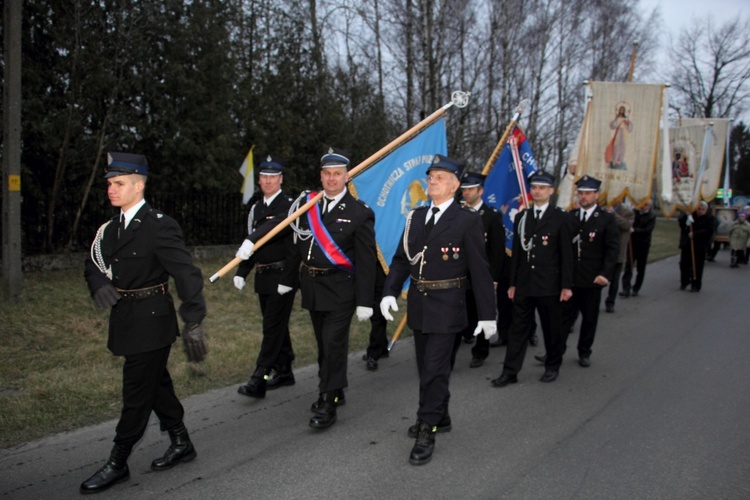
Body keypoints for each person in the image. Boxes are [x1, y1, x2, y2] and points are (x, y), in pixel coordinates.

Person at [82, 152, 207, 494]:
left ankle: (118, 461)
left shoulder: (159, 225)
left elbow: (186, 273)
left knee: (136, 393)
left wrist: (193, 319)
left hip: (153, 321)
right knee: (156, 385)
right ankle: (181, 441)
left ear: (139, 185)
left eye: (118, 183)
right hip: (125, 319)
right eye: (109, 183)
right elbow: (93, 262)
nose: (111, 189)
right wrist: (99, 284)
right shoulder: (110, 228)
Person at [380, 154, 496, 466]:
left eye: (440, 177)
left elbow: (480, 271)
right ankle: (440, 416)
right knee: (427, 368)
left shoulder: (467, 220)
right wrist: (390, 290)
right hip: (419, 305)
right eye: (430, 176)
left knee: (434, 369)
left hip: (448, 307)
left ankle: (427, 428)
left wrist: (488, 314)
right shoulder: (415, 218)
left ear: (456, 186)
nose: (432, 180)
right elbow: (403, 259)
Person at [281, 147, 376, 429]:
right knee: (324, 344)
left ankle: (328, 399)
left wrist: (365, 301)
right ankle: (334, 387)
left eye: (337, 174)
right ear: (321, 177)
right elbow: (296, 245)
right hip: (312, 287)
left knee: (334, 343)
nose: (332, 179)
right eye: (327, 174)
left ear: (347, 177)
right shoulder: (307, 207)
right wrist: (288, 279)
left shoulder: (360, 213)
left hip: (341, 289)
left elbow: (367, 260)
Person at [491, 171, 572, 387]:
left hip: (550, 285)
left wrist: (566, 285)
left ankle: (552, 366)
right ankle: (510, 372)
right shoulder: (521, 217)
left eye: (542, 188)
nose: (537, 191)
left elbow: (566, 255)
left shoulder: (561, 218)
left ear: (551, 191)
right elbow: (517, 254)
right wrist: (513, 284)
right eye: (534, 187)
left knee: (551, 328)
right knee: (518, 330)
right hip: (525, 284)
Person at [234, 155, 298, 398]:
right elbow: (252, 245)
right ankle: (284, 370)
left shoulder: (290, 206)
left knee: (271, 327)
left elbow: (292, 245)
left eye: (273, 177)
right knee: (275, 325)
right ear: (259, 180)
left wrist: (290, 278)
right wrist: (242, 272)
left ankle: (259, 378)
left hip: (283, 275)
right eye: (264, 177)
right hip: (263, 276)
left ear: (281, 180)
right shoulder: (256, 209)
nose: (268, 181)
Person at [559, 176, 619, 367]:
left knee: (589, 319)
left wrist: (605, 274)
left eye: (587, 193)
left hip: (592, 279)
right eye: (581, 193)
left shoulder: (606, 219)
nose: (583, 197)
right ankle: (555, 352)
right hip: (570, 278)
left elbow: (612, 250)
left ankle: (584, 351)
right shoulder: (570, 217)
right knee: (562, 319)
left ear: (596, 195)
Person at [456, 171, 506, 368]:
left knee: (483, 312)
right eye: (464, 189)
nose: (466, 193)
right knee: (463, 310)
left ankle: (481, 351)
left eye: (470, 189)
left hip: (482, 274)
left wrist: (493, 278)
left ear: (481, 191)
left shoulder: (492, 216)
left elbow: (497, 251)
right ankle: (465, 335)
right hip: (461, 273)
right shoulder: (458, 214)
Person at [620, 199, 656, 297]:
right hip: (632, 243)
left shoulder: (651, 216)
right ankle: (625, 288)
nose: (642, 206)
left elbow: (648, 230)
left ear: (648, 206)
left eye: (645, 205)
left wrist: (635, 230)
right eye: (641, 204)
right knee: (629, 266)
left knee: (641, 267)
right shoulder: (634, 213)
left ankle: (636, 287)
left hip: (643, 244)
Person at [678, 201, 715, 292]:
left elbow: (709, 230)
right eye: (699, 209)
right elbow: (682, 225)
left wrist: (695, 234)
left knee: (697, 266)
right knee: (684, 264)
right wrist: (686, 215)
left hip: (700, 246)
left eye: (703, 209)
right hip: (688, 244)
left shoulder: (709, 218)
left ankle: (696, 285)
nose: (700, 211)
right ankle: (685, 281)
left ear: (706, 210)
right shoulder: (691, 216)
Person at [604, 202, 634, 313]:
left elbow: (626, 225)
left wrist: (613, 214)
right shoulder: (602, 209)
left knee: (614, 280)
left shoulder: (628, 213)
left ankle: (610, 302)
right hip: (603, 251)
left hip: (618, 251)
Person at [362, 260, 390, 370]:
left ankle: (374, 353)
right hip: (371, 270)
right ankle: (382, 347)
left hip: (381, 270)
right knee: (377, 313)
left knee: (377, 314)